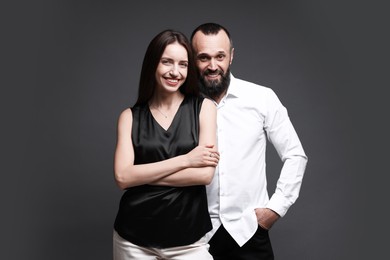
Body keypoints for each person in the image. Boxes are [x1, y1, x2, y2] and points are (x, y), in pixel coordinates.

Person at [190, 22, 308, 259]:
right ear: (193, 59)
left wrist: (274, 210)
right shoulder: (182, 105)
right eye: (204, 58)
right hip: (194, 238)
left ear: (231, 56)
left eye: (220, 56)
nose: (213, 66)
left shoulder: (261, 97)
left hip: (248, 232)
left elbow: (295, 154)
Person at [112, 29, 219, 260]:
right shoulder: (129, 117)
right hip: (133, 240)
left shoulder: (204, 108)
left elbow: (204, 175)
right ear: (153, 64)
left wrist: (140, 176)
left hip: (189, 241)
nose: (175, 72)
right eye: (167, 62)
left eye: (183, 64)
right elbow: (122, 178)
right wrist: (186, 160)